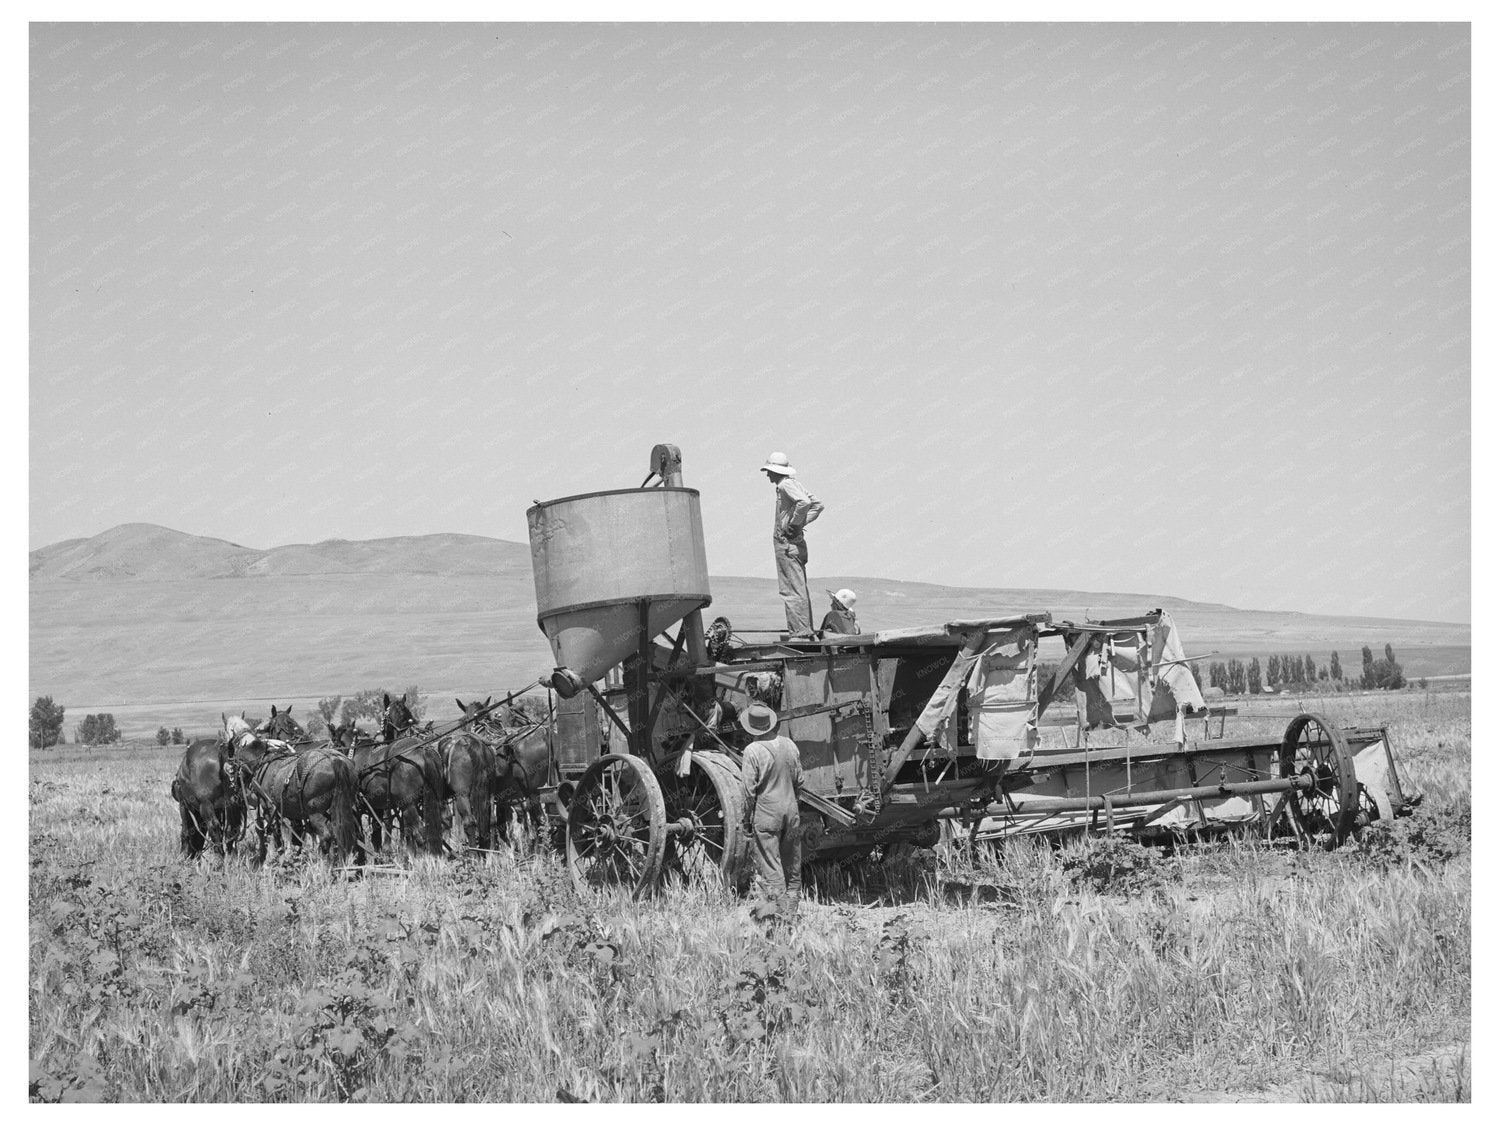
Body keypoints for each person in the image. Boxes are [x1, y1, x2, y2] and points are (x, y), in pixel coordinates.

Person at [738, 702, 805, 916]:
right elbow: (800, 781)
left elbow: (748, 792)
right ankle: (791, 914)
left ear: (752, 728)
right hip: (791, 812)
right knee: (792, 866)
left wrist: (746, 819)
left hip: (767, 815)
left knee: (771, 866)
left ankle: (778, 919)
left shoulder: (752, 751)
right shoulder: (790, 745)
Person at [760, 451, 824, 639]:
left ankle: (800, 632)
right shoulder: (794, 484)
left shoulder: (785, 485)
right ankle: (805, 630)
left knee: (791, 590)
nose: (767, 475)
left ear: (774, 470)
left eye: (768, 471)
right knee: (799, 587)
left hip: (786, 544)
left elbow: (805, 503)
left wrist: (794, 524)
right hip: (796, 544)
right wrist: (801, 523)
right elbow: (817, 505)